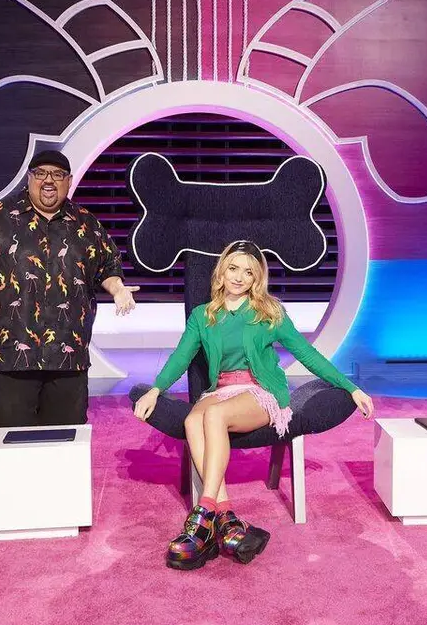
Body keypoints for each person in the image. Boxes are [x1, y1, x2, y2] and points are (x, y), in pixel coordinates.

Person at [134, 240, 374, 570]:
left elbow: (306, 353)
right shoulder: (202, 316)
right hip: (220, 391)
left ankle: (204, 512)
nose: (239, 277)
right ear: (221, 272)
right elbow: (181, 356)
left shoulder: (269, 312)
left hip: (260, 390)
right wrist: (155, 390)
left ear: (257, 278)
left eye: (249, 272)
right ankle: (227, 518)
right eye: (233, 268)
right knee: (192, 421)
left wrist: (350, 386)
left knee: (213, 416)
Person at [0, 149, 138, 427]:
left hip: (68, 356)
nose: (48, 180)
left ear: (68, 181)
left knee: (65, 439)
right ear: (29, 178)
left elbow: (107, 266)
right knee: (10, 439)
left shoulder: (86, 224)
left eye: (57, 175)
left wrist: (118, 289)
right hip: (8, 354)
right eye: (40, 173)